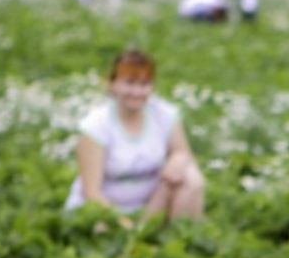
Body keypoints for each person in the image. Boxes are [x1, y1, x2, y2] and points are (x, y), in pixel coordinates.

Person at [64, 50, 204, 222]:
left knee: (191, 177)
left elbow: (183, 153)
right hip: (104, 211)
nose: (137, 92)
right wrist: (123, 224)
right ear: (113, 85)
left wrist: (178, 159)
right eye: (129, 83)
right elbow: (91, 192)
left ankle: (181, 235)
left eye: (144, 84)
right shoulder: (96, 125)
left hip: (150, 207)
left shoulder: (164, 114)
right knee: (102, 226)